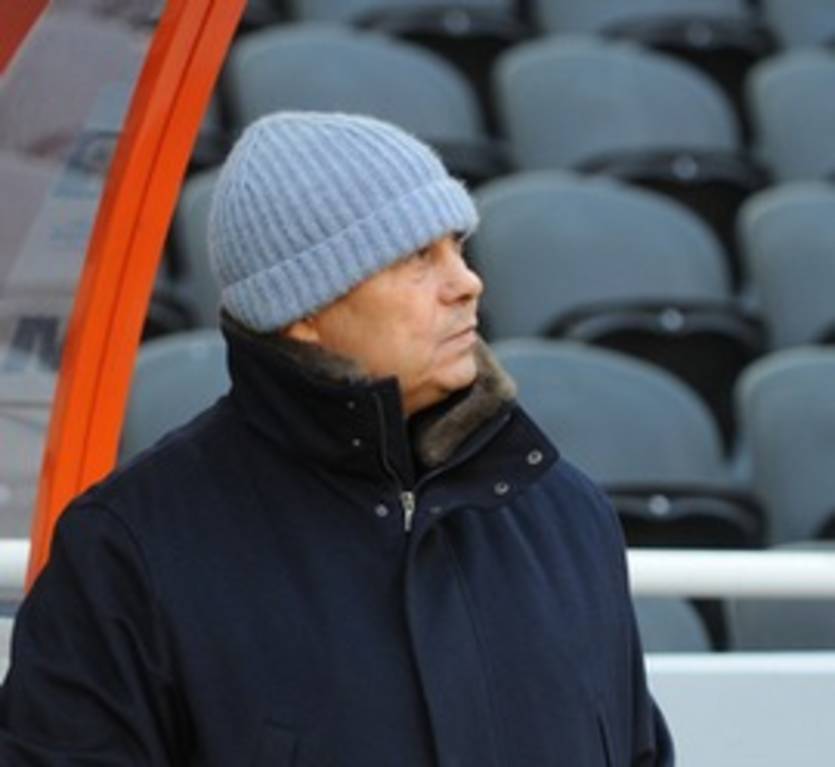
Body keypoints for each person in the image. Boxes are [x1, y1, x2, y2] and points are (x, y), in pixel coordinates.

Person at [0, 112, 673, 765]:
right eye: (417, 255)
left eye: (457, 246)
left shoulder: (567, 515)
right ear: (302, 310)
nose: (467, 283)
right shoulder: (129, 551)